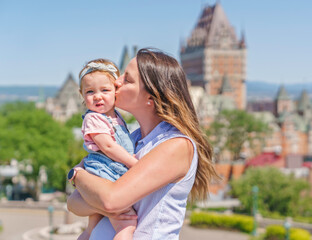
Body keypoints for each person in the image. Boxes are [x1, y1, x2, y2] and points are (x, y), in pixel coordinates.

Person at [67, 48, 219, 240]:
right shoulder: (133, 139)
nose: (116, 82)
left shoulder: (176, 145)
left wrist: (77, 175)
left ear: (151, 97)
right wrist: (93, 192)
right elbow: (74, 204)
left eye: (127, 79)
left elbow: (110, 201)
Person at [73, 58, 138, 240]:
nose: (98, 96)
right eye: (90, 92)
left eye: (105, 90)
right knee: (127, 225)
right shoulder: (94, 118)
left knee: (91, 228)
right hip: (106, 174)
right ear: (82, 95)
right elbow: (108, 147)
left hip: (105, 173)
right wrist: (134, 163)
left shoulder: (115, 117)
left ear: (116, 91)